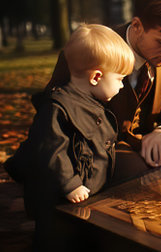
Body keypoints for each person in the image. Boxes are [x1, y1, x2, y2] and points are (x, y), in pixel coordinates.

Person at [4, 24, 135, 250]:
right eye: (120, 79)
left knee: (81, 237)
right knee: (55, 239)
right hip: (57, 199)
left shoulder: (93, 104)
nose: (122, 86)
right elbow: (50, 152)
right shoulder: (58, 108)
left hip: (85, 195)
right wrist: (70, 184)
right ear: (96, 77)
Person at [46, 0, 161, 185]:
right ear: (137, 26)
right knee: (136, 173)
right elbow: (54, 108)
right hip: (98, 147)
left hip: (152, 142)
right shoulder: (91, 48)